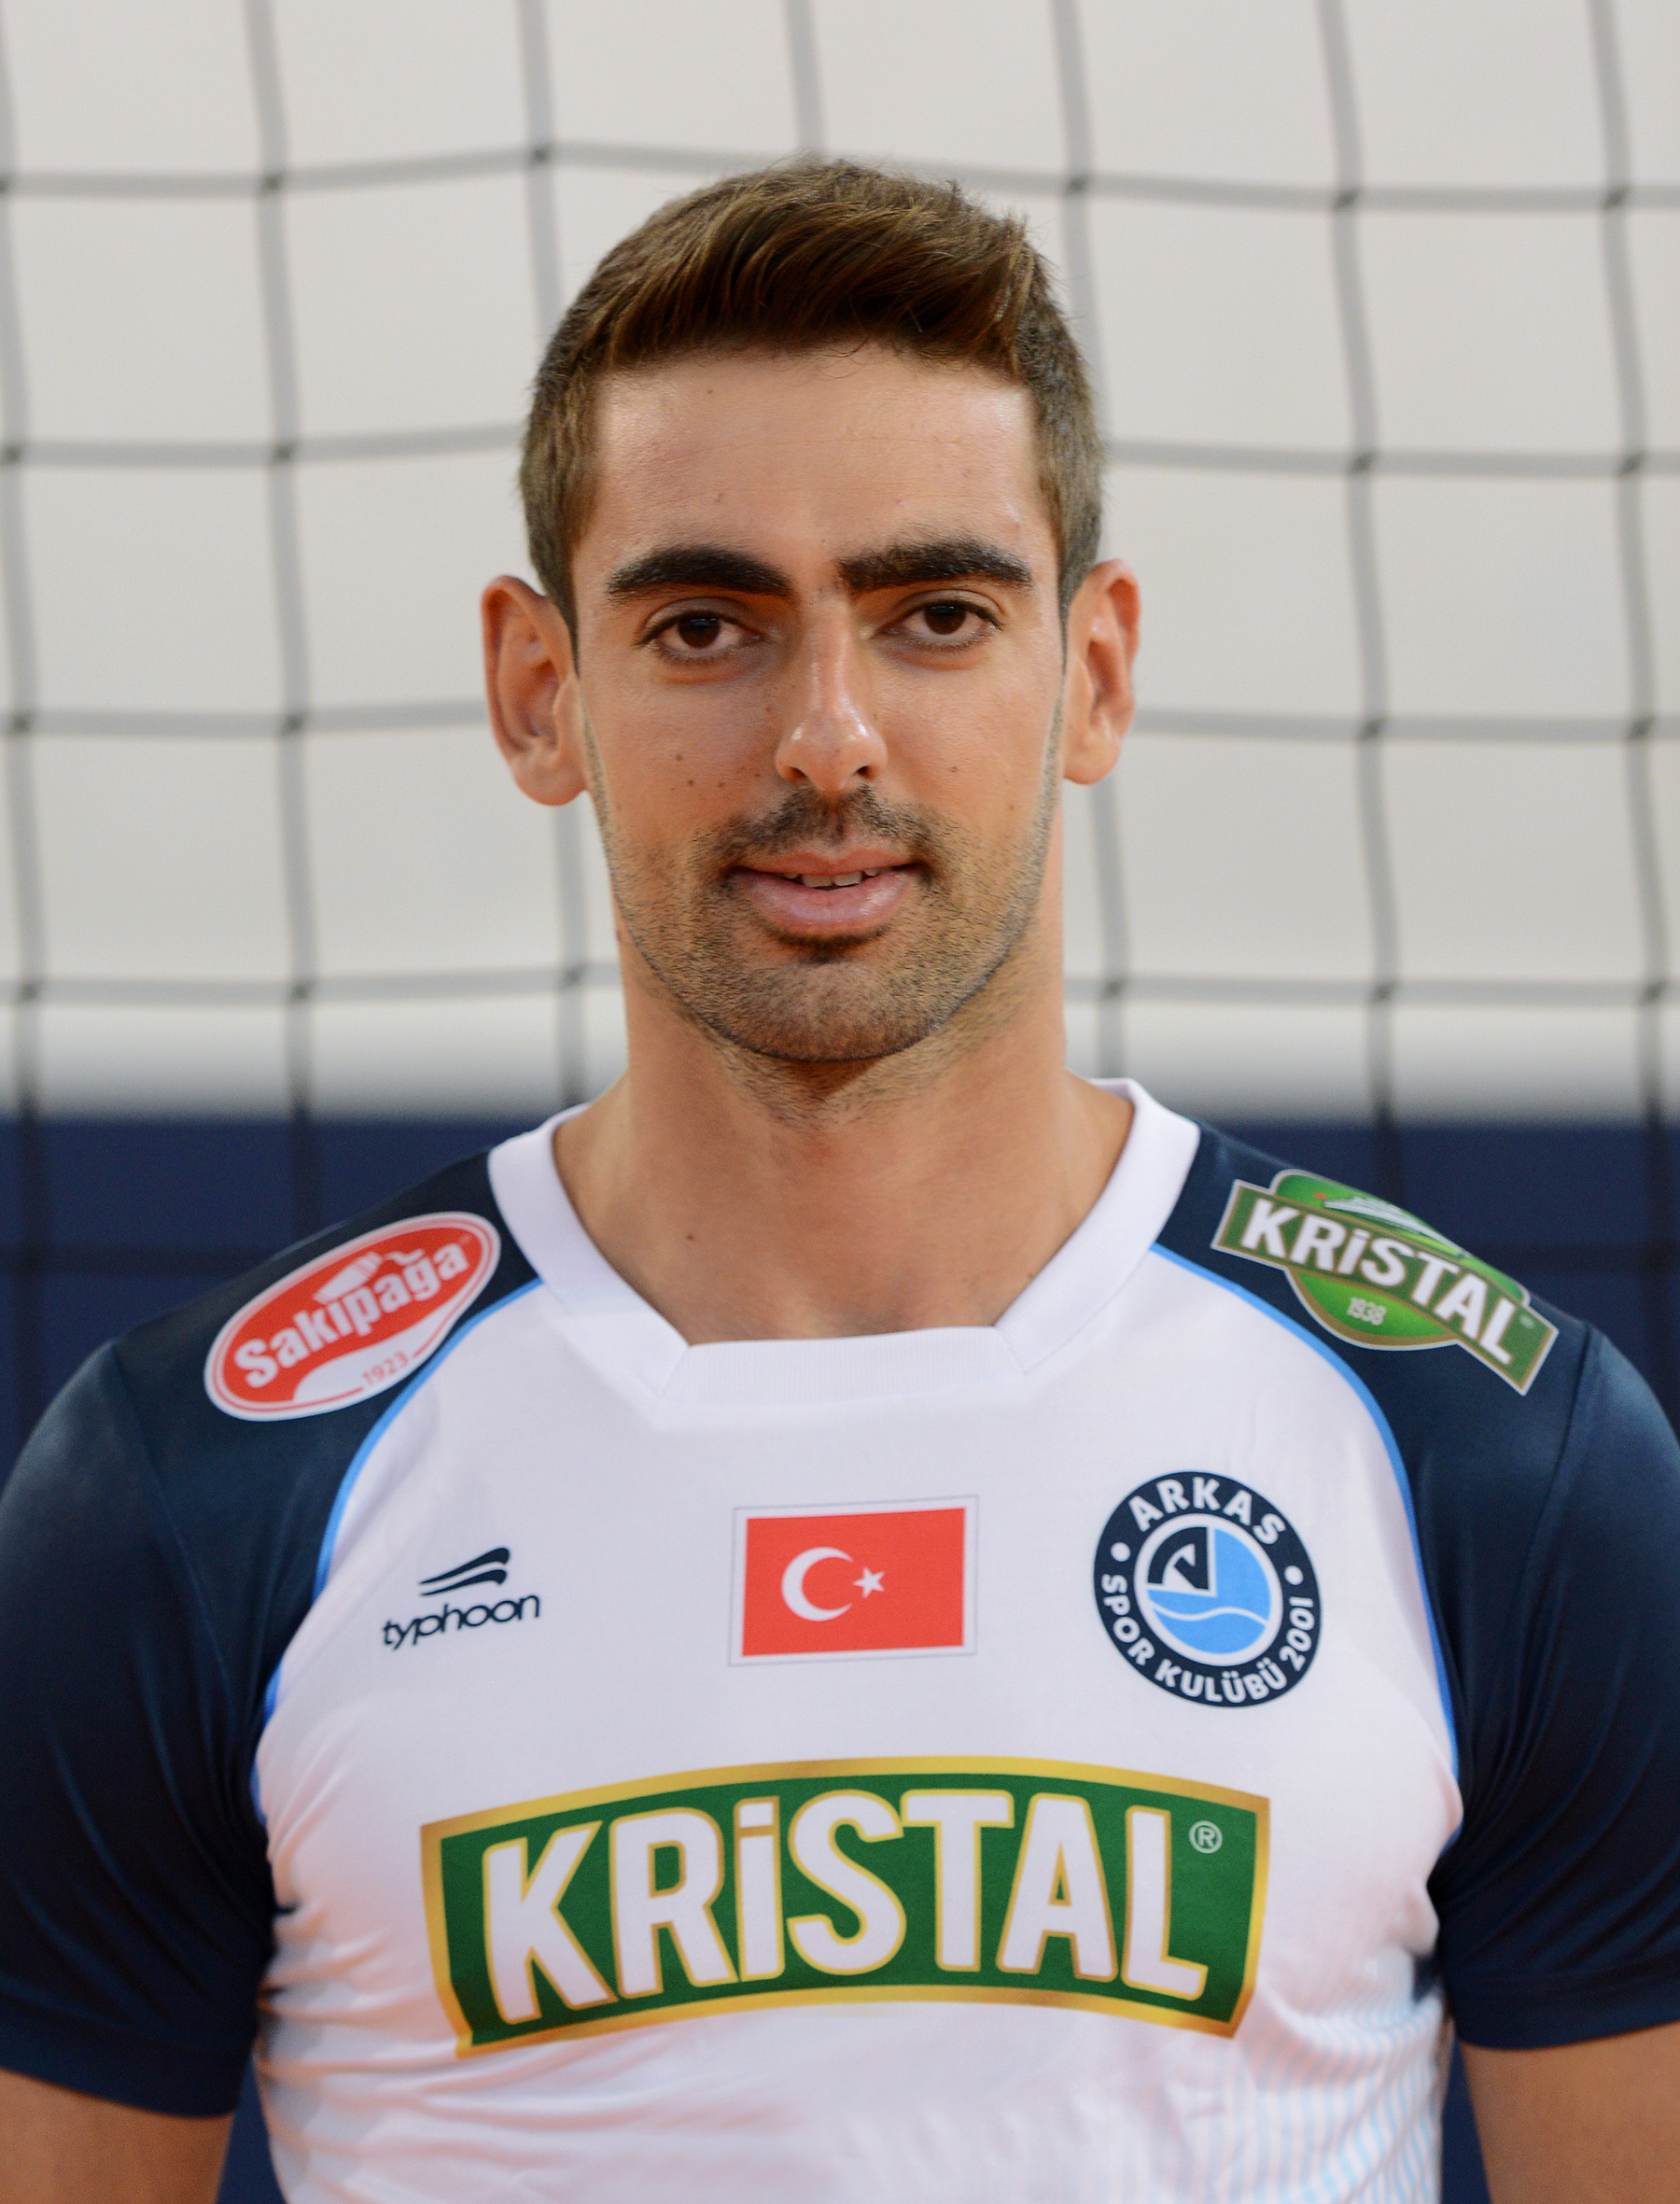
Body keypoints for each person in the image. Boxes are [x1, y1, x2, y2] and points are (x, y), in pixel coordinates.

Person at [1, 161, 1677, 2204]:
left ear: (1094, 671)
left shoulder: (1493, 1451)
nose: (826, 737)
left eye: (936, 616)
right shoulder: (196, 1488)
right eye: (706, 623)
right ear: (541, 691)